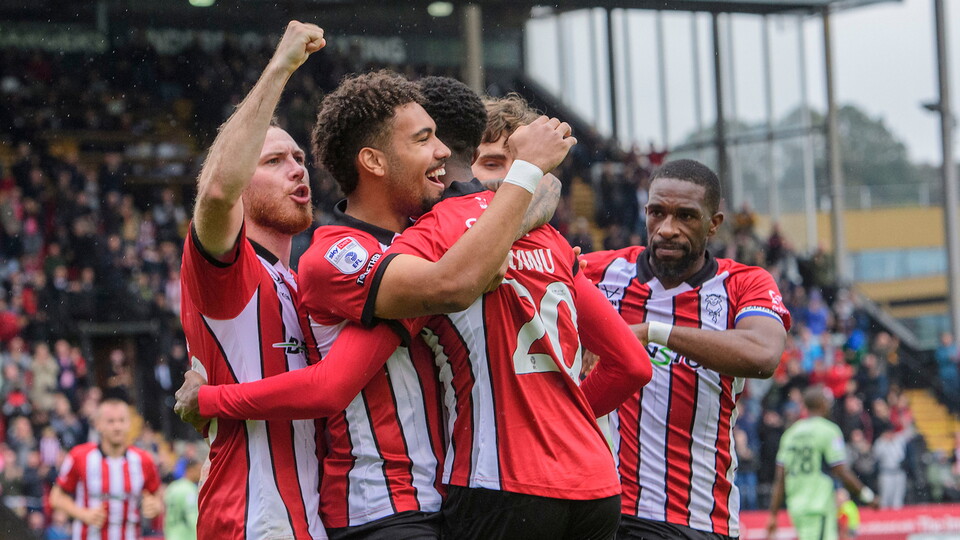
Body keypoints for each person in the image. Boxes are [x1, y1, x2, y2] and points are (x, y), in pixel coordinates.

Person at [179, 83, 651, 540]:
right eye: (424, 140)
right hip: (385, 506)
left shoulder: (452, 242)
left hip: (460, 494)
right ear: (377, 160)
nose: (440, 153)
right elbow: (336, 381)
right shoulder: (351, 255)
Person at [579, 159, 792, 539]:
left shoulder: (743, 284)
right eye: (656, 213)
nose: (667, 229)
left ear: (714, 223)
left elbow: (763, 355)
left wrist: (653, 332)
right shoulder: (598, 273)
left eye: (686, 217)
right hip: (600, 511)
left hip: (694, 518)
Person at [178, 21, 327, 539]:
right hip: (252, 521)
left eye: (299, 159)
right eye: (274, 161)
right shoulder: (231, 270)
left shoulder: (299, 280)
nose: (297, 170)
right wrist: (281, 67)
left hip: (311, 520)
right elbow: (218, 190)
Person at [766, 387, 878, 540]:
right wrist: (868, 497)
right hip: (817, 504)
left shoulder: (790, 433)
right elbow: (840, 471)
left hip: (796, 506)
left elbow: (780, 477)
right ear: (822, 404)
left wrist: (773, 514)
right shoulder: (828, 430)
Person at [50, 398, 162, 540]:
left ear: (129, 424)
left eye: (121, 421)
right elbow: (56, 497)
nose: (117, 427)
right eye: (111, 421)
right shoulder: (79, 456)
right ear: (98, 425)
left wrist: (155, 506)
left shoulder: (144, 460)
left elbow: (157, 496)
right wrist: (83, 514)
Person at [164, 458, 200, 540]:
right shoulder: (190, 490)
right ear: (191, 470)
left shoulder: (172, 487)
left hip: (171, 535)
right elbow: (193, 518)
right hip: (185, 537)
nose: (200, 474)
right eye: (198, 470)